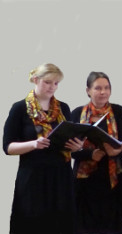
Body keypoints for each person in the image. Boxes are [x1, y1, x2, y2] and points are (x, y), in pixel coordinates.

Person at [3, 63, 83, 233]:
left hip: (61, 176)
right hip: (33, 177)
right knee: (32, 224)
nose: (52, 87)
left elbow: (68, 138)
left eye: (56, 83)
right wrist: (33, 144)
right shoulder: (20, 108)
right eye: (48, 82)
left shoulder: (64, 108)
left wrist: (77, 147)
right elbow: (8, 147)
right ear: (36, 80)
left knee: (61, 224)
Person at [71, 72, 122, 233]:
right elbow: (71, 149)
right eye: (98, 88)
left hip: (113, 178)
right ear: (88, 90)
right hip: (85, 181)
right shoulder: (77, 113)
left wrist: (117, 151)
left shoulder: (118, 111)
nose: (103, 92)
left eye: (106, 88)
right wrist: (89, 154)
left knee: (114, 226)